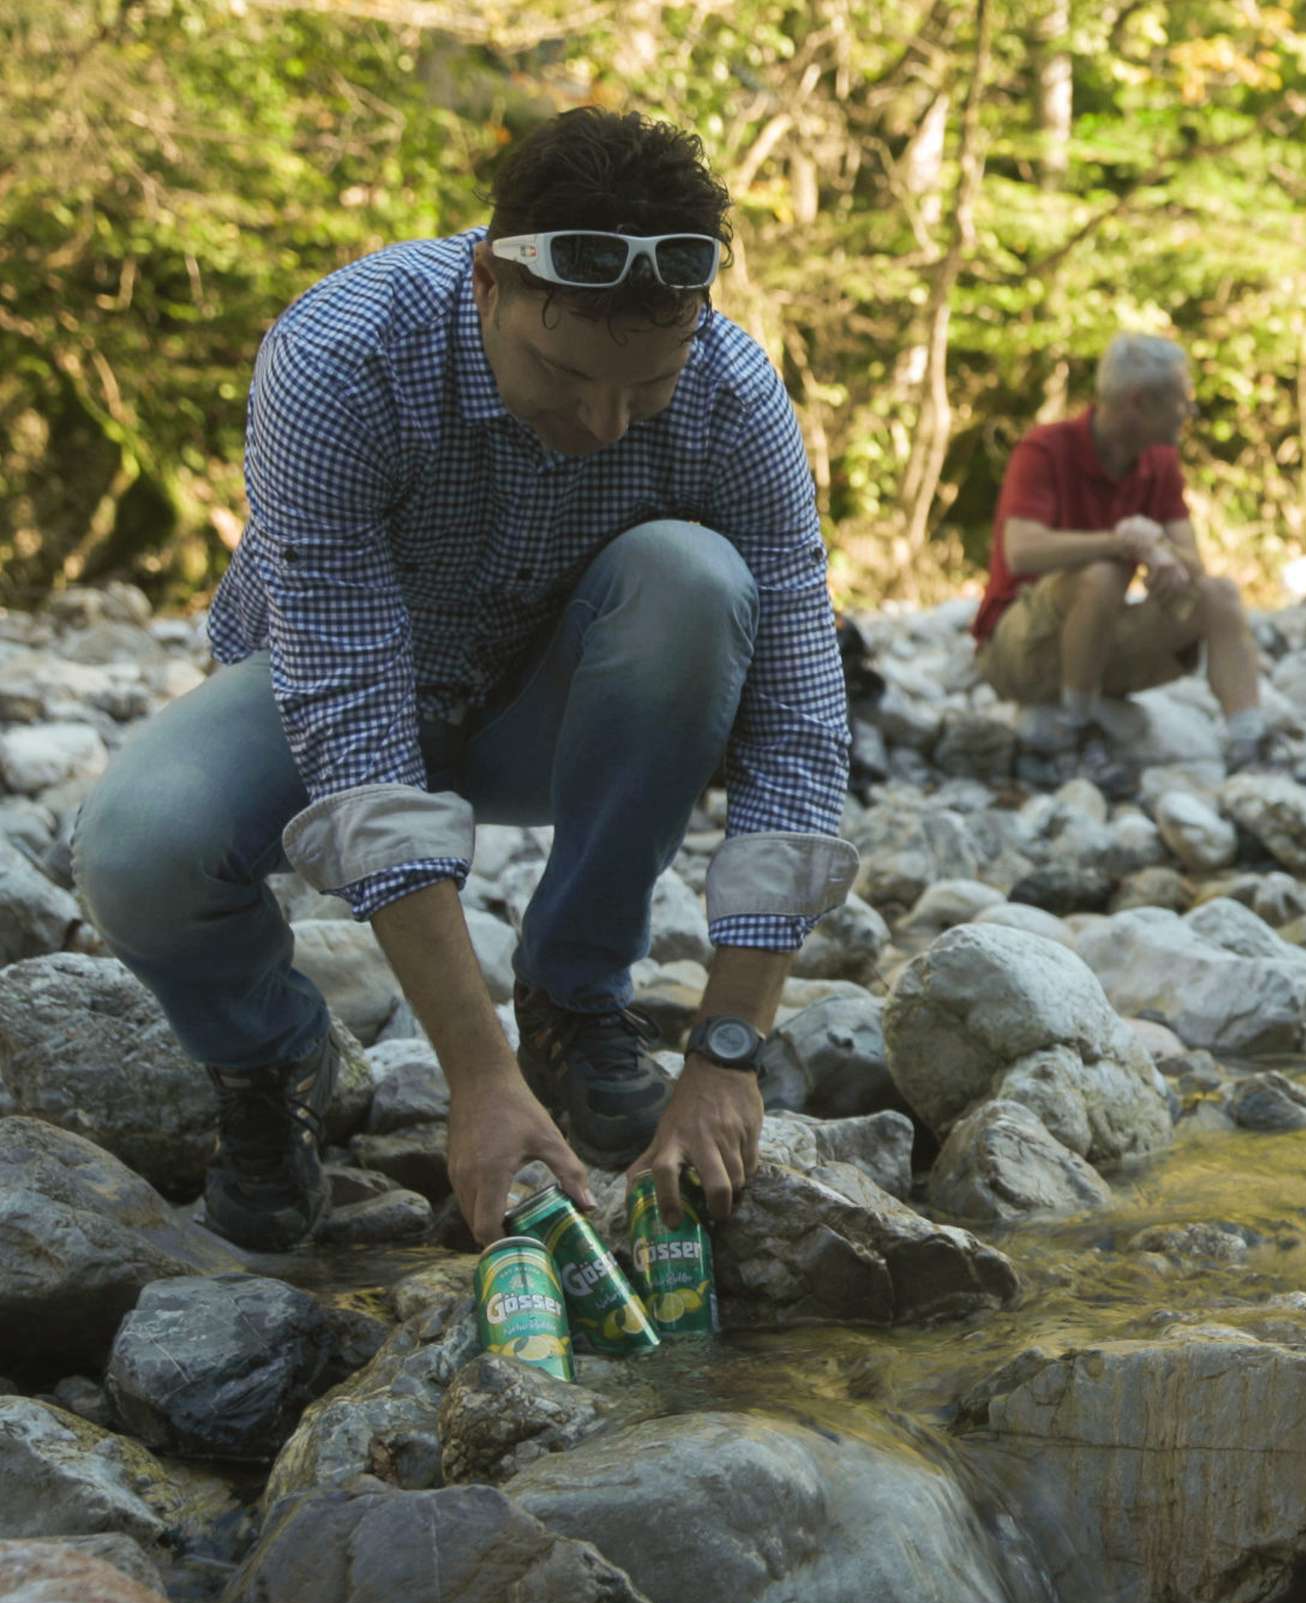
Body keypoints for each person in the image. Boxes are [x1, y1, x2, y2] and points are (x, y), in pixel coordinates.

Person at [71, 109, 859, 1250]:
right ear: (488, 280)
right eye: (565, 373)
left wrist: (727, 1051)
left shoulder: (733, 397)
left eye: (644, 391)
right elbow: (350, 722)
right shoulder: (343, 356)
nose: (601, 423)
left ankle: (573, 1000)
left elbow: (798, 727)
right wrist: (473, 1082)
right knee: (136, 847)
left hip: (559, 704)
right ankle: (272, 1060)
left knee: (696, 580)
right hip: (337, 693)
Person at [976, 336, 1272, 790]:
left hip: (1099, 646)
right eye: (1181, 401)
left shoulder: (1161, 462)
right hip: (1020, 649)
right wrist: (1121, 543)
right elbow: (1021, 549)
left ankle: (1250, 746)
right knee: (1103, 573)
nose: (1188, 413)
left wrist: (1162, 555)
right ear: (1140, 402)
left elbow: (1194, 563)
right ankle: (1072, 735)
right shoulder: (1045, 449)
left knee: (1220, 594)